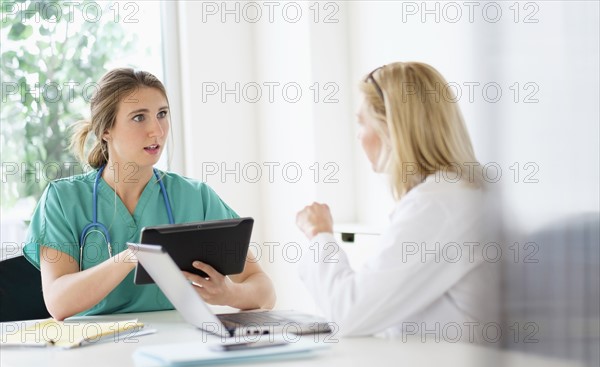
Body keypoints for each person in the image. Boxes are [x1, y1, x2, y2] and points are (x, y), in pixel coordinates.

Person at [24, 68, 276, 321]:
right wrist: (133, 256)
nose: (157, 131)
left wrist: (230, 293)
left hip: (175, 345)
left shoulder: (195, 197)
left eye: (162, 114)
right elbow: (58, 302)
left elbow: (264, 292)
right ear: (106, 130)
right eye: (138, 118)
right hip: (92, 346)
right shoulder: (63, 199)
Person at [295, 62, 499, 340]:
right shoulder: (459, 195)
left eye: (361, 122)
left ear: (391, 128)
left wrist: (319, 235)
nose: (359, 135)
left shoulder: (438, 206)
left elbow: (348, 313)